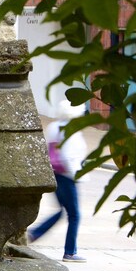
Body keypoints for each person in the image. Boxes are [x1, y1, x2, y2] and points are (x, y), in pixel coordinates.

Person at [28, 100, 88, 262]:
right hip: (67, 176)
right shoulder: (71, 130)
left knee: (62, 211)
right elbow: (68, 157)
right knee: (74, 215)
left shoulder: (54, 127)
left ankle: (35, 233)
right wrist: (78, 173)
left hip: (55, 174)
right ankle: (70, 252)